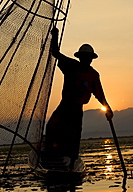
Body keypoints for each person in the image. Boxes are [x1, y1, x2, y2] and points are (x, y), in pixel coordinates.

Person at [44, 27, 113, 163]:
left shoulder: (93, 75)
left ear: (91, 59)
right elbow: (55, 52)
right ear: (80, 57)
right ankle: (51, 154)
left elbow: (99, 94)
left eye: (89, 57)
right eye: (84, 57)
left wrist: (108, 108)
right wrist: (55, 35)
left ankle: (72, 161)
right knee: (52, 126)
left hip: (77, 108)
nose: (87, 59)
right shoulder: (71, 65)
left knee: (74, 135)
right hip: (65, 106)